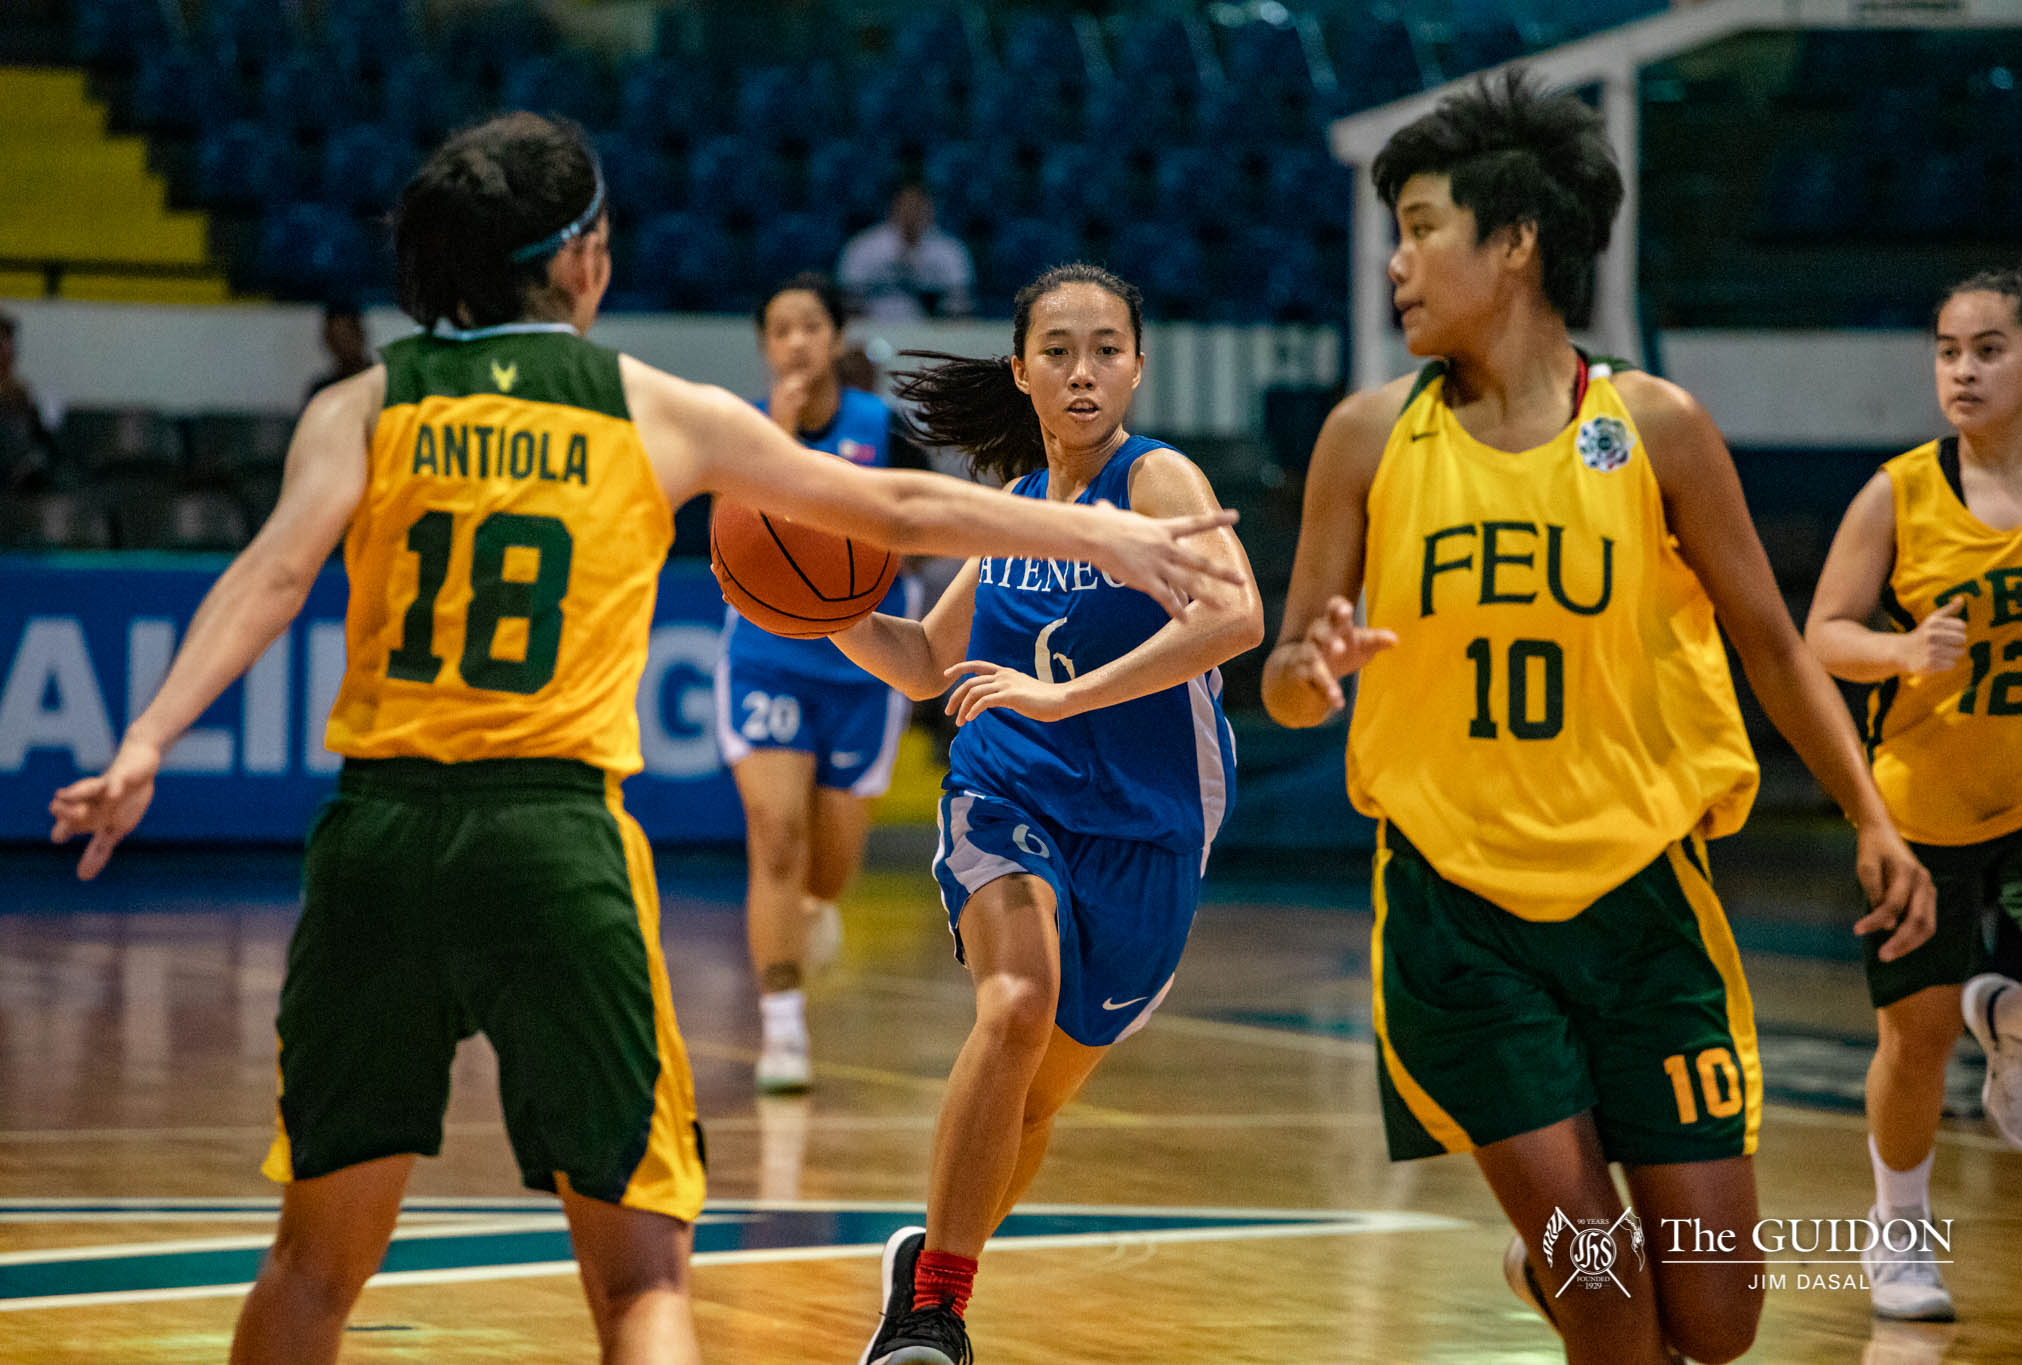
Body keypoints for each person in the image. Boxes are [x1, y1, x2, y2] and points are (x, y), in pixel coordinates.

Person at [44, 114, 1241, 1365]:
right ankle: (925, 1281)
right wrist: (1096, 537)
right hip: (554, 839)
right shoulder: (643, 404)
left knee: (308, 1263)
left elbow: (269, 577)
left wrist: (145, 741)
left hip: (377, 837)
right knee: (637, 1279)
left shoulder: (360, 404)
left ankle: (926, 1243)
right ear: (579, 263)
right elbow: (890, 507)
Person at [1258, 72, 1934, 1365]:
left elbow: (1775, 647)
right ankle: (1572, 1264)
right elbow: (1291, 674)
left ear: (1513, 244)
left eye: (1419, 227)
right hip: (1462, 925)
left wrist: (1872, 815)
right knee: (1618, 1318)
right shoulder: (1365, 439)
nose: (1395, 264)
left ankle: (1545, 1262)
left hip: (1641, 909)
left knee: (1719, 1320)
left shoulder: (1658, 429)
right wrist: (1313, 667)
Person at [828, 263, 1262, 1365]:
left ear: (1136, 365)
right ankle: (935, 1312)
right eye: (1058, 350)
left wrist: (1067, 693)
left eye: (1106, 347)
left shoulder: (1156, 480)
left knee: (1030, 1105)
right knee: (1015, 1007)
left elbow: (1237, 615)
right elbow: (925, 661)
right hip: (1006, 793)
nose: (1082, 370)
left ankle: (927, 1262)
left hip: (1148, 833)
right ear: (1020, 371)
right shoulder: (1012, 506)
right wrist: (817, 611)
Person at [1805, 269, 2022, 1322]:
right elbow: (1820, 636)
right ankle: (1897, 1233)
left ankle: (2018, 1024)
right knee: (1912, 1043)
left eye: (1987, 348)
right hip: (1919, 812)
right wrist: (1900, 649)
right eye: (1947, 350)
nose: (1962, 368)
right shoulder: (1897, 491)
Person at [720, 272, 930, 1093]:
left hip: (861, 663)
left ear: (836, 337)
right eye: (781, 329)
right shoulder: (743, 430)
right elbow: (727, 527)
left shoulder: (884, 430)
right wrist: (773, 429)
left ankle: (815, 909)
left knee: (827, 870)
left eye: (810, 326)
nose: (797, 342)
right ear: (767, 346)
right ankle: (782, 1027)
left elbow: (930, 520)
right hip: (768, 657)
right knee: (775, 836)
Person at [837, 182, 975, 322]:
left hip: (933, 335)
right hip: (875, 331)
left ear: (932, 209)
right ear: (892, 207)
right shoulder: (863, 247)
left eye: (919, 206)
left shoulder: (950, 251)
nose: (912, 212)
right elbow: (848, 305)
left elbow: (960, 309)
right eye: (906, 205)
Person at [0, 308, 57, 493]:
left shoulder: (24, 394)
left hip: (21, 481)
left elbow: (41, 442)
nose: (4, 350)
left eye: (7, 342)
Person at [303, 302, 374, 405]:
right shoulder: (321, 392)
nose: (341, 346)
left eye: (346, 336)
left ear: (360, 335)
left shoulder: (387, 385)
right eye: (334, 338)